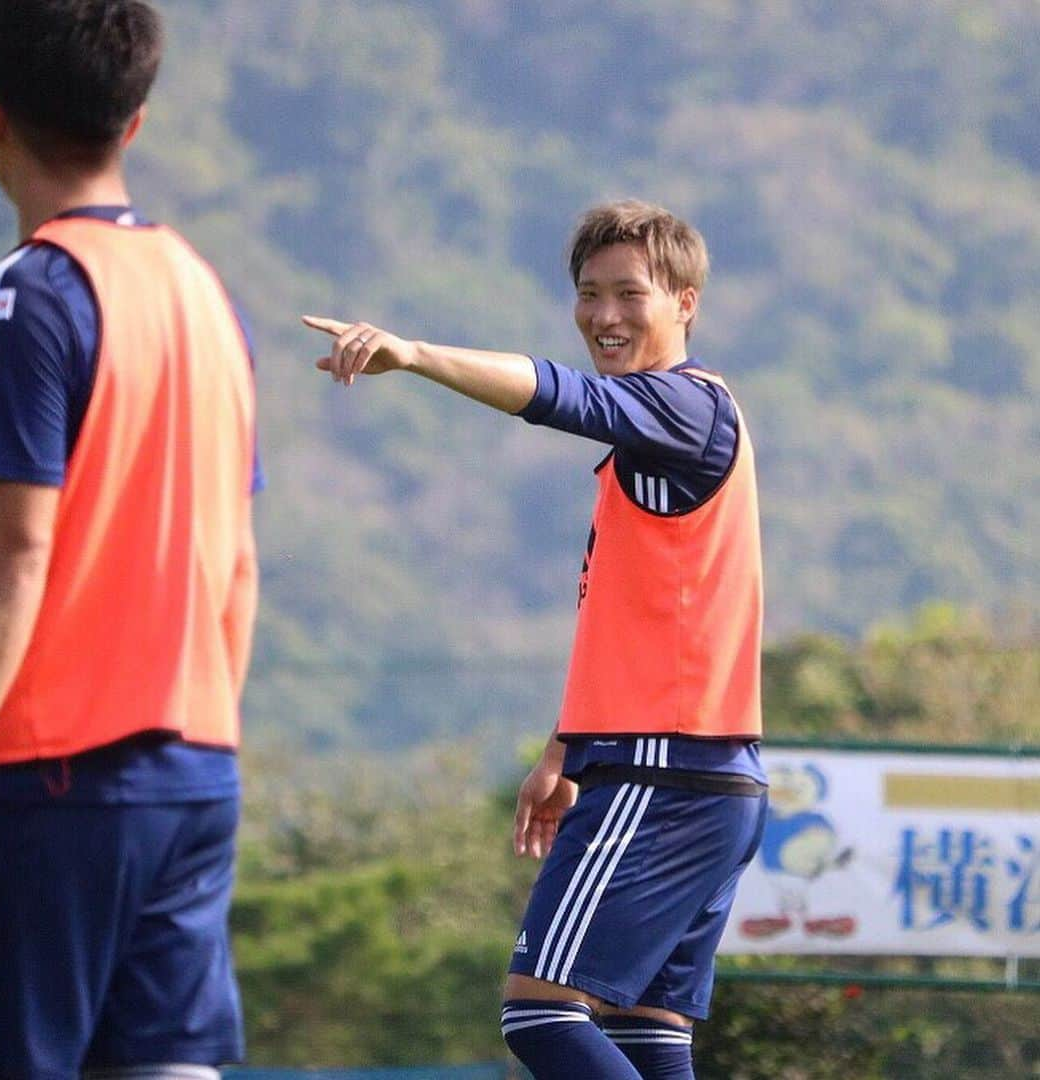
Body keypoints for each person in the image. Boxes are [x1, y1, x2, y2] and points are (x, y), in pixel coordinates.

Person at [304, 199, 768, 1080]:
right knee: (646, 1035)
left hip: (663, 776)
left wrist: (415, 354)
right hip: (705, 780)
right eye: (588, 294)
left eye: (630, 293)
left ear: (686, 303)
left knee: (541, 1014)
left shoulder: (683, 408)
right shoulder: (661, 439)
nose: (604, 316)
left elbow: (559, 394)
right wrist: (565, 750)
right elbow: (641, 627)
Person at [0, 2, 260, 1077]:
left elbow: (15, 548)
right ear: (134, 122)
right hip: (194, 771)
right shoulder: (207, 297)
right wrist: (210, 745)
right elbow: (235, 558)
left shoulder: (21, 299)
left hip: (49, 775)